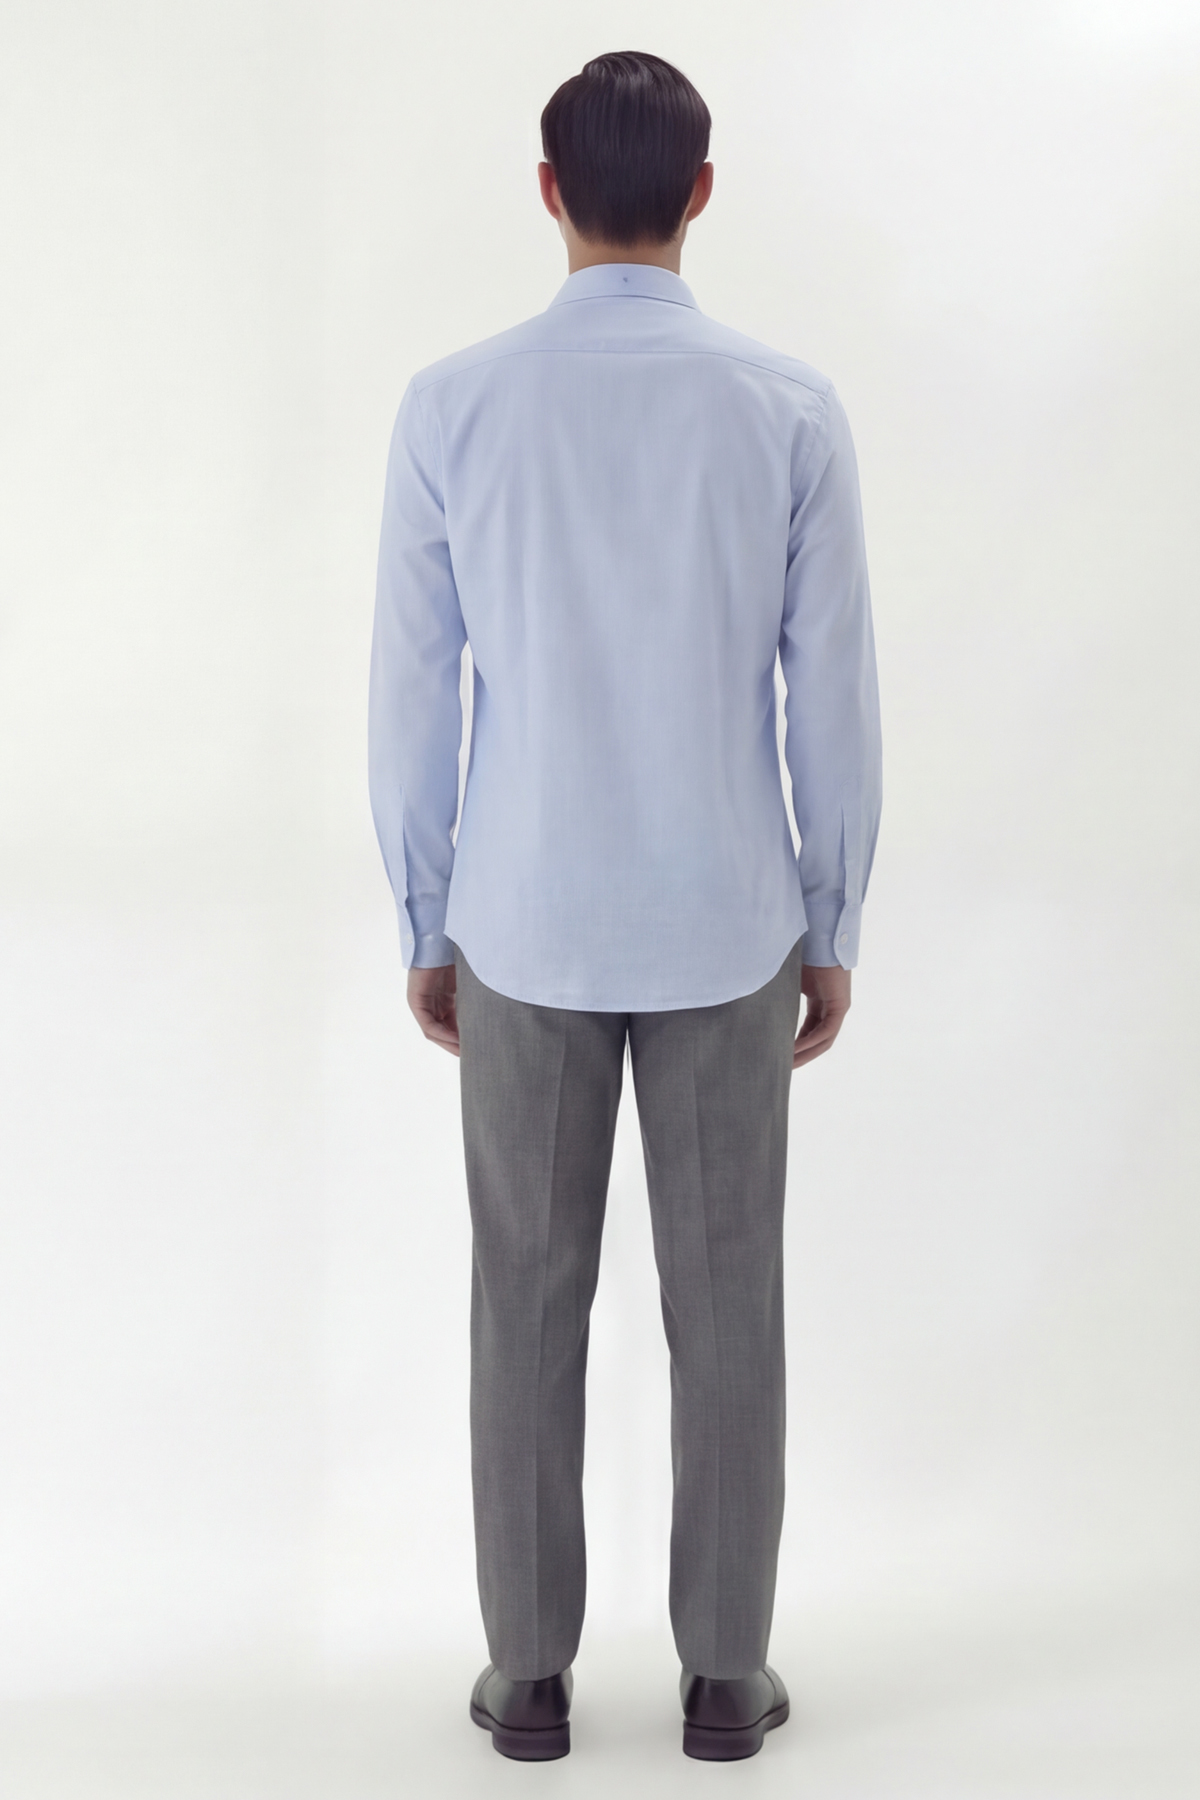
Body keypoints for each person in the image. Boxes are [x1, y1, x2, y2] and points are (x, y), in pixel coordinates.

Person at [368, 49, 882, 1763]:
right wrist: (832, 917)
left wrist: (426, 912)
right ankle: (726, 1680)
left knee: (524, 1299)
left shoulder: (452, 406)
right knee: (728, 1304)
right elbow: (833, 694)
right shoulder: (789, 407)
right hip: (729, 920)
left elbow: (412, 690)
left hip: (522, 921)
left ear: (547, 192)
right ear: (703, 194)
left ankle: (527, 1680)